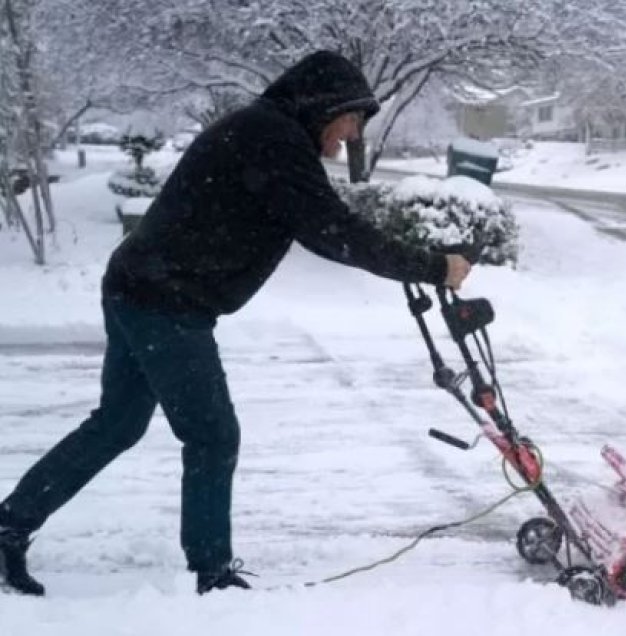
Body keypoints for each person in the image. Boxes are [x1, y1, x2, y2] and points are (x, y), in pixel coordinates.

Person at [0, 50, 472, 596]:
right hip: (165, 300)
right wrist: (433, 267)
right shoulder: (273, 141)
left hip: (140, 285)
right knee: (212, 435)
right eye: (352, 121)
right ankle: (212, 571)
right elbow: (333, 231)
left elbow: (329, 223)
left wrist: (420, 261)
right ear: (326, 106)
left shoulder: (268, 133)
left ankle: (11, 523)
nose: (352, 136)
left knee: (118, 424)